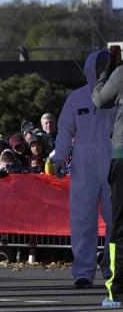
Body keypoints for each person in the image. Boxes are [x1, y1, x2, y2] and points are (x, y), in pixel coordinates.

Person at [52, 49, 116, 291]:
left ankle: (112, 268)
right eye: (100, 66)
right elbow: (65, 131)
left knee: (116, 220)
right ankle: (83, 273)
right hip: (83, 168)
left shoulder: (117, 96)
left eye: (107, 66)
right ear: (91, 69)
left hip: (113, 163)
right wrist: (60, 157)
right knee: (82, 221)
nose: (103, 70)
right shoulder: (76, 98)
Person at [91, 47, 123, 307]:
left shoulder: (121, 72)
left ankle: (118, 291)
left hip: (122, 157)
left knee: (120, 226)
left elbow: (100, 99)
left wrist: (108, 71)